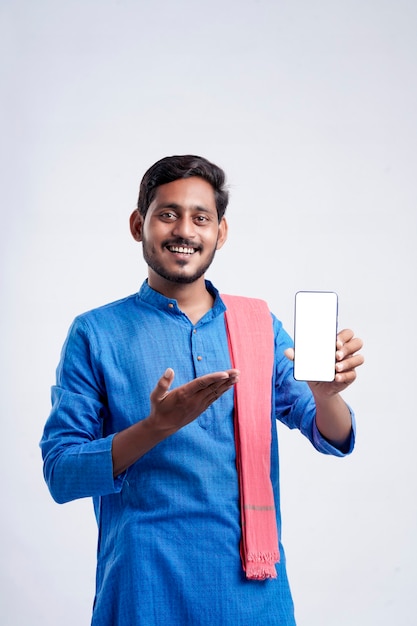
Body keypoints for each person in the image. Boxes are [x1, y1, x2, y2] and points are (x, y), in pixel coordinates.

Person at [40, 155, 364, 625]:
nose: (185, 231)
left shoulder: (257, 327)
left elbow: (330, 437)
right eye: (167, 214)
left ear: (221, 232)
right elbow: (62, 472)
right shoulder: (96, 332)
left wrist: (327, 393)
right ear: (139, 224)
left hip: (253, 591)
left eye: (201, 218)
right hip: (142, 587)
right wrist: (156, 428)